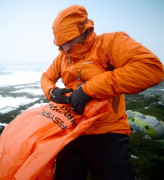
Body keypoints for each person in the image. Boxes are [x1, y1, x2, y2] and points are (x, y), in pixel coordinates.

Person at [41, 4, 164, 180]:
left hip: (108, 132)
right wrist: (51, 92)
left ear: (84, 30)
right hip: (72, 130)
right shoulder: (62, 57)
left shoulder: (110, 42)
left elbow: (151, 69)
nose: (66, 48)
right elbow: (46, 77)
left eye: (69, 41)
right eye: (61, 44)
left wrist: (88, 90)